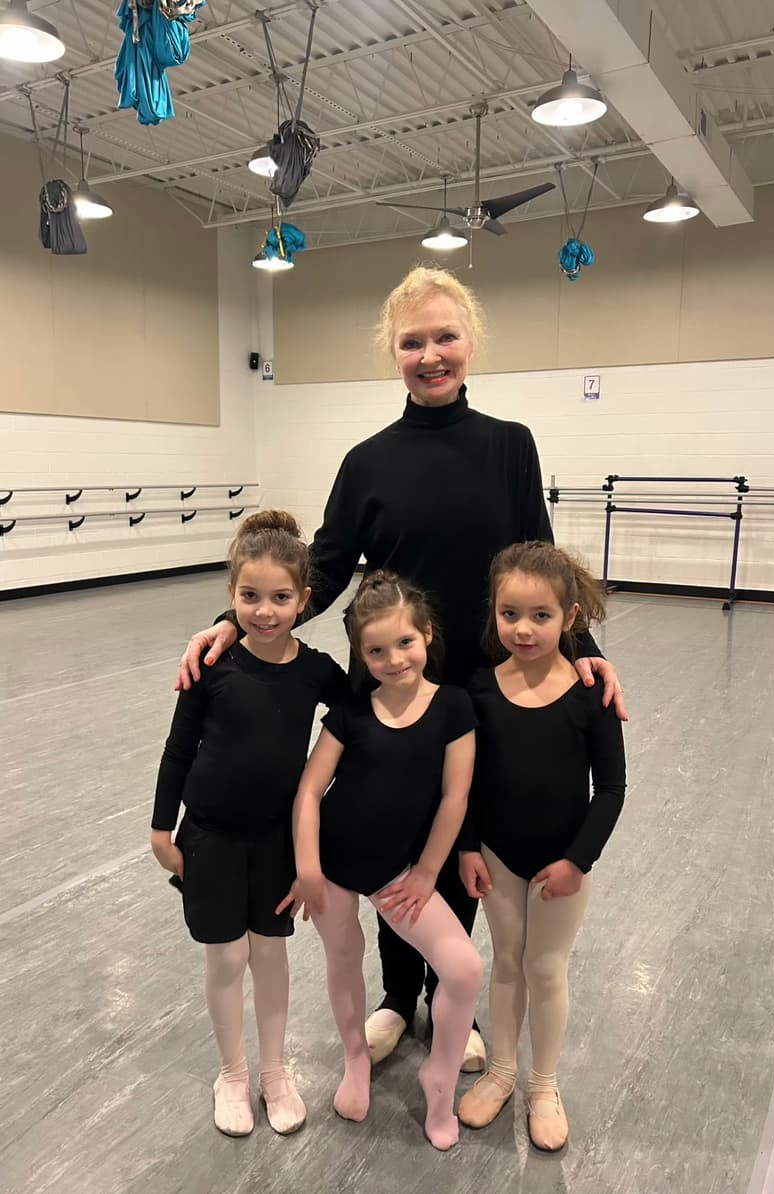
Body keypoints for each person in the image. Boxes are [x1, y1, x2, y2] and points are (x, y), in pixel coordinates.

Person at [175, 266, 627, 1070]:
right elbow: (319, 566)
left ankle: (451, 998)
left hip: (472, 691)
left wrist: (587, 654)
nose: (430, 354)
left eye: (444, 337)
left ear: (470, 343)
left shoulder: (509, 445)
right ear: (394, 353)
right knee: (388, 844)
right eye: (412, 342)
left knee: (456, 846)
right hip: (384, 686)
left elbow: (544, 563)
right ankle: (394, 996)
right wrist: (226, 626)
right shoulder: (367, 459)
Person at [150, 511, 348, 1138]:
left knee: (271, 954)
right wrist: (162, 829)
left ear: (305, 600)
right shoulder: (212, 665)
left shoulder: (317, 671)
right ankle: (232, 1072)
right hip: (208, 834)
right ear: (231, 597)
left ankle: (273, 1070)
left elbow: (358, 726)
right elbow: (178, 749)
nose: (265, 611)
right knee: (228, 956)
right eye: (250, 597)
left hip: (276, 841)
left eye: (281, 598)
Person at [277, 571, 482, 1151]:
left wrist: (425, 873)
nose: (393, 660)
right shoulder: (351, 713)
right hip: (336, 866)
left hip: (399, 872)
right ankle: (355, 1061)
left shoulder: (453, 707)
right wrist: (308, 867)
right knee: (344, 958)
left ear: (427, 636)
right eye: (376, 650)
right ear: (360, 654)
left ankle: (438, 1079)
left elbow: (454, 797)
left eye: (404, 644)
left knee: (464, 968)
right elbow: (310, 791)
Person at [457, 541, 626, 1151]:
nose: (523, 629)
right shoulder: (478, 689)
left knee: (546, 968)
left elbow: (610, 788)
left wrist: (577, 861)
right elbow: (466, 781)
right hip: (499, 856)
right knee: (507, 963)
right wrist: (470, 846)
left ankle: (544, 1084)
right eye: (509, 615)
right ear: (493, 614)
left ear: (570, 618)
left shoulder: (590, 694)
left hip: (561, 861)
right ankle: (503, 1069)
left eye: (541, 616)